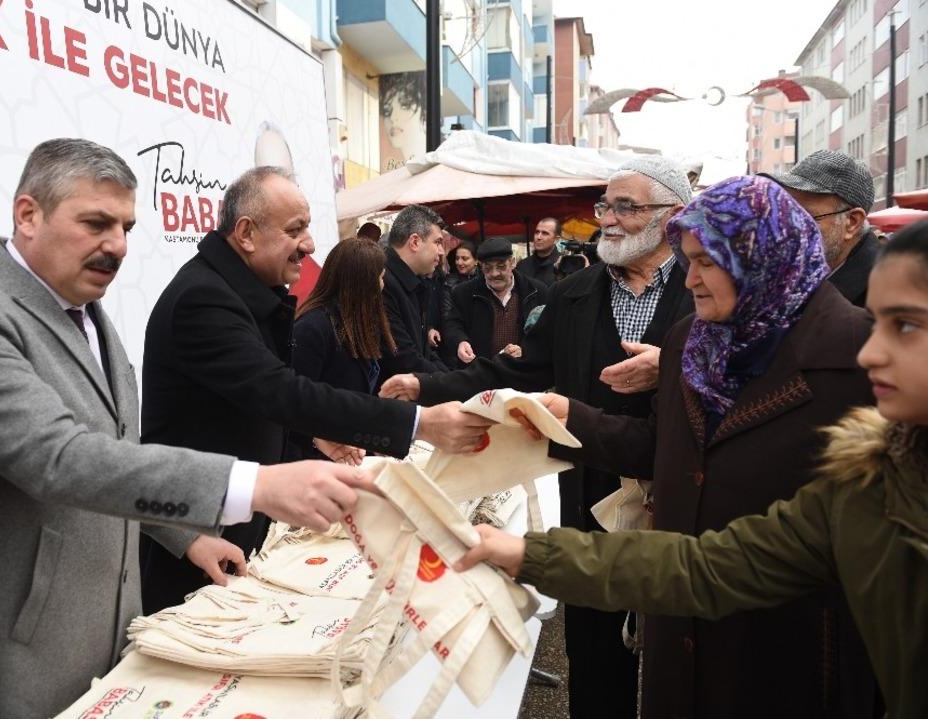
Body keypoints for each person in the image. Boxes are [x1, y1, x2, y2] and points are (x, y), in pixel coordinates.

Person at [0, 139, 377, 719]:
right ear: (28, 215)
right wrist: (256, 486)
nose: (118, 246)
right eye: (96, 223)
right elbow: (60, 459)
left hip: (118, 640)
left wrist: (186, 537)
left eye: (125, 227)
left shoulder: (87, 314)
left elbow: (118, 452)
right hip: (23, 657)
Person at [457, 219, 928, 719]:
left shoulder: (845, 364)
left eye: (904, 326)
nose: (873, 351)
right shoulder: (874, 482)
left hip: (791, 652)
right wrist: (526, 552)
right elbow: (706, 565)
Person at [380, 155, 695, 718]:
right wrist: (426, 385)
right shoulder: (574, 294)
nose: (608, 219)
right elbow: (512, 370)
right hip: (591, 495)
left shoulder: (706, 286)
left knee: (682, 650)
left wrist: (670, 364)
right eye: (605, 206)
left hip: (680, 495)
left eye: (626, 207)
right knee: (595, 654)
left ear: (671, 215)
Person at [140, 167, 492, 612]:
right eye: (295, 230)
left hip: (233, 526)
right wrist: (418, 423)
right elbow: (282, 392)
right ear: (246, 234)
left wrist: (314, 436)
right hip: (199, 536)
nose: (309, 245)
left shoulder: (240, 292)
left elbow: (260, 399)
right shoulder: (204, 300)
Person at [288, 238, 395, 460]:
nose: (383, 285)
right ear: (363, 281)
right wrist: (318, 438)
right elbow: (295, 403)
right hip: (317, 459)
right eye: (380, 277)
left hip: (349, 450)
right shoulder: (312, 328)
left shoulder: (356, 321)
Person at [761, 149, 880, 306]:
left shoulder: (888, 294)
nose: (787, 228)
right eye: (785, 213)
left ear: (852, 222)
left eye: (804, 217)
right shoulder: (792, 277)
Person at [442, 237, 548, 365]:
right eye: (488, 268)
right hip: (479, 369)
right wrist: (460, 342)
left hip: (523, 369)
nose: (494, 273)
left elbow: (546, 332)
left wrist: (526, 351)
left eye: (501, 266)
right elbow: (452, 324)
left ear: (512, 262)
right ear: (481, 266)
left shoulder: (536, 291)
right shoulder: (463, 293)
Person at [379, 204, 451, 378]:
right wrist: (451, 382)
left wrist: (451, 378)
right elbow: (403, 359)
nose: (441, 251)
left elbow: (423, 350)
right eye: (437, 242)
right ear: (415, 242)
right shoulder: (382, 284)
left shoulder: (415, 283)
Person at [517, 217, 563, 286]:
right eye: (537, 232)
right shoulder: (522, 265)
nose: (538, 237)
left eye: (545, 233)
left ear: (556, 239)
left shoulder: (562, 265)